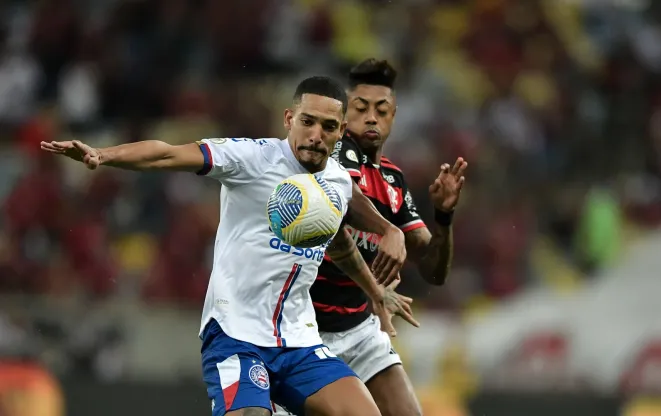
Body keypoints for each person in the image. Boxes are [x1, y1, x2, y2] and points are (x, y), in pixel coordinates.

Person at [41, 76, 406, 416]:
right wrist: (103, 155)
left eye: (328, 127)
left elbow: (339, 240)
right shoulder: (251, 159)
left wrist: (381, 269)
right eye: (307, 121)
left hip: (299, 341)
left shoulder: (338, 183)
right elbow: (167, 154)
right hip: (236, 336)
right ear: (288, 118)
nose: (315, 134)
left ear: (341, 131)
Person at [275, 60, 467, 416]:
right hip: (301, 330)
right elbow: (341, 195)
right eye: (360, 108)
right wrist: (387, 230)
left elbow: (434, 271)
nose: (371, 118)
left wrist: (443, 216)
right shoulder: (329, 155)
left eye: (381, 110)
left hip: (359, 328)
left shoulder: (394, 181)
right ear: (345, 118)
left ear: (394, 115)